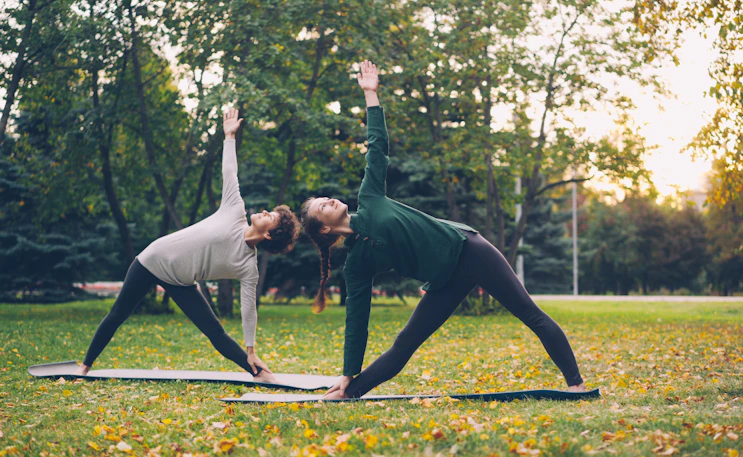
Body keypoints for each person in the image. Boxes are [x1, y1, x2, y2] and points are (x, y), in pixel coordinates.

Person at [300, 61, 586, 399]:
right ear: (324, 229)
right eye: (322, 206)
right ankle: (348, 393)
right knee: (404, 343)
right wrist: (348, 372)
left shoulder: (370, 197)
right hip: (445, 281)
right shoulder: (357, 263)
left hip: (468, 250)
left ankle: (577, 385)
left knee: (529, 313)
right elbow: (356, 320)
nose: (330, 200)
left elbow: (377, 147)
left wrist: (371, 95)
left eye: (325, 198)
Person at [78, 109, 299, 383]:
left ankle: (261, 373)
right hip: (153, 260)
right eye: (269, 211)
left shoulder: (248, 268)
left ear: (270, 236)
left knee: (215, 333)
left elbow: (248, 309)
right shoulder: (234, 209)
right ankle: (84, 368)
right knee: (118, 314)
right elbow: (230, 171)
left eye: (271, 217)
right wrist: (229, 136)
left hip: (181, 281)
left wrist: (251, 349)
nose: (265, 211)